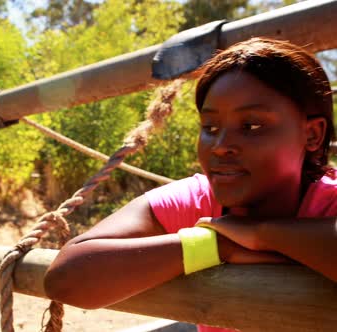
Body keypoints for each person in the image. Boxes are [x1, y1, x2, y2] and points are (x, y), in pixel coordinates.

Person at [43, 37, 337, 332]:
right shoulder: (196, 200)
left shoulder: (330, 202)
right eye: (210, 127)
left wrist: (259, 234)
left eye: (251, 126)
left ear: (312, 135)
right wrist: (216, 244)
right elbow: (66, 278)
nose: (220, 146)